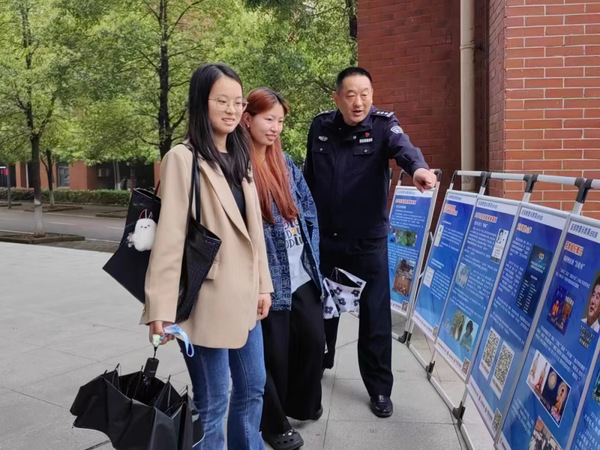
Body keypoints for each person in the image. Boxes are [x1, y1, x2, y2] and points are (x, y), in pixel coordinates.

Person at [142, 64, 273, 450]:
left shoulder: (241, 155)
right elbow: (170, 238)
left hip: (246, 299)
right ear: (202, 102)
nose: (232, 110)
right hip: (205, 300)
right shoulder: (182, 159)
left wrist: (263, 286)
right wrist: (160, 308)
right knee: (213, 403)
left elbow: (254, 232)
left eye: (238, 102)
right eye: (222, 101)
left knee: (253, 388)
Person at [304, 66, 437, 418]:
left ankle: (379, 389)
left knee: (375, 319)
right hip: (327, 240)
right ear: (337, 98)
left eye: (364, 94)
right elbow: (308, 178)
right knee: (323, 310)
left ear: (372, 96)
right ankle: (319, 362)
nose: (358, 102)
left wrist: (418, 169)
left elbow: (403, 148)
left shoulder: (382, 126)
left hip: (368, 242)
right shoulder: (320, 127)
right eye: (350, 95)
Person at [243, 88, 324, 450]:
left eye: (280, 121)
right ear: (248, 119)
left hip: (300, 269)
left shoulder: (285, 161)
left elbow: (308, 207)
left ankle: (301, 404)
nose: (275, 127)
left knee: (314, 341)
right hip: (268, 276)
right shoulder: (238, 165)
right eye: (268, 119)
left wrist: (313, 253)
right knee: (272, 355)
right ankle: (274, 424)